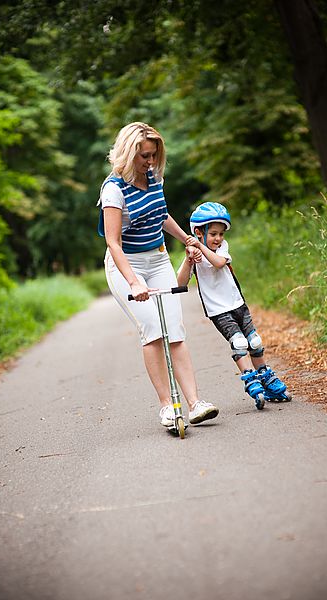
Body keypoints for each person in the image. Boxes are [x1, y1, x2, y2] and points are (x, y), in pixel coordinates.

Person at [97, 122, 219, 428]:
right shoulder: (114, 189)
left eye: (153, 155)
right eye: (144, 157)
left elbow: (160, 214)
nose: (150, 162)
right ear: (128, 154)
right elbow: (113, 242)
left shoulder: (154, 178)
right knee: (152, 329)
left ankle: (195, 403)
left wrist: (186, 240)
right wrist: (134, 281)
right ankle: (167, 406)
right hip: (126, 265)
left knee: (174, 329)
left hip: (158, 258)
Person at [177, 201, 292, 409]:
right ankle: (251, 380)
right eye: (213, 233)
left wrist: (199, 246)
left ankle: (267, 378)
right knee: (239, 343)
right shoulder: (195, 255)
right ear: (198, 232)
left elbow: (219, 263)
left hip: (238, 304)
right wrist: (189, 260)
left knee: (254, 342)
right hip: (218, 311)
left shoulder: (221, 248)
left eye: (221, 233)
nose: (218, 238)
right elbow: (180, 283)